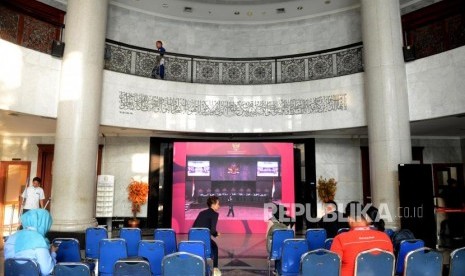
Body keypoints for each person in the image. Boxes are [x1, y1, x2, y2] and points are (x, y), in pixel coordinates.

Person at [331, 201, 393, 276]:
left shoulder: (340, 239)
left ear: (350, 219)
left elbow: (333, 267)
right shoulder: (384, 237)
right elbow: (390, 263)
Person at [4, 209, 57, 276]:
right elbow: (47, 271)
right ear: (42, 223)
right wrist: (53, 253)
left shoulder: (11, 237)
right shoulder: (38, 240)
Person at [193, 195, 221, 276]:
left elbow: (194, 227)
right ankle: (215, 269)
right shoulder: (215, 214)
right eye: (218, 204)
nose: (219, 206)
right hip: (204, 240)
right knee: (215, 247)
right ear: (213, 204)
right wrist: (216, 234)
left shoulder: (201, 212)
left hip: (194, 239)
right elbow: (212, 230)